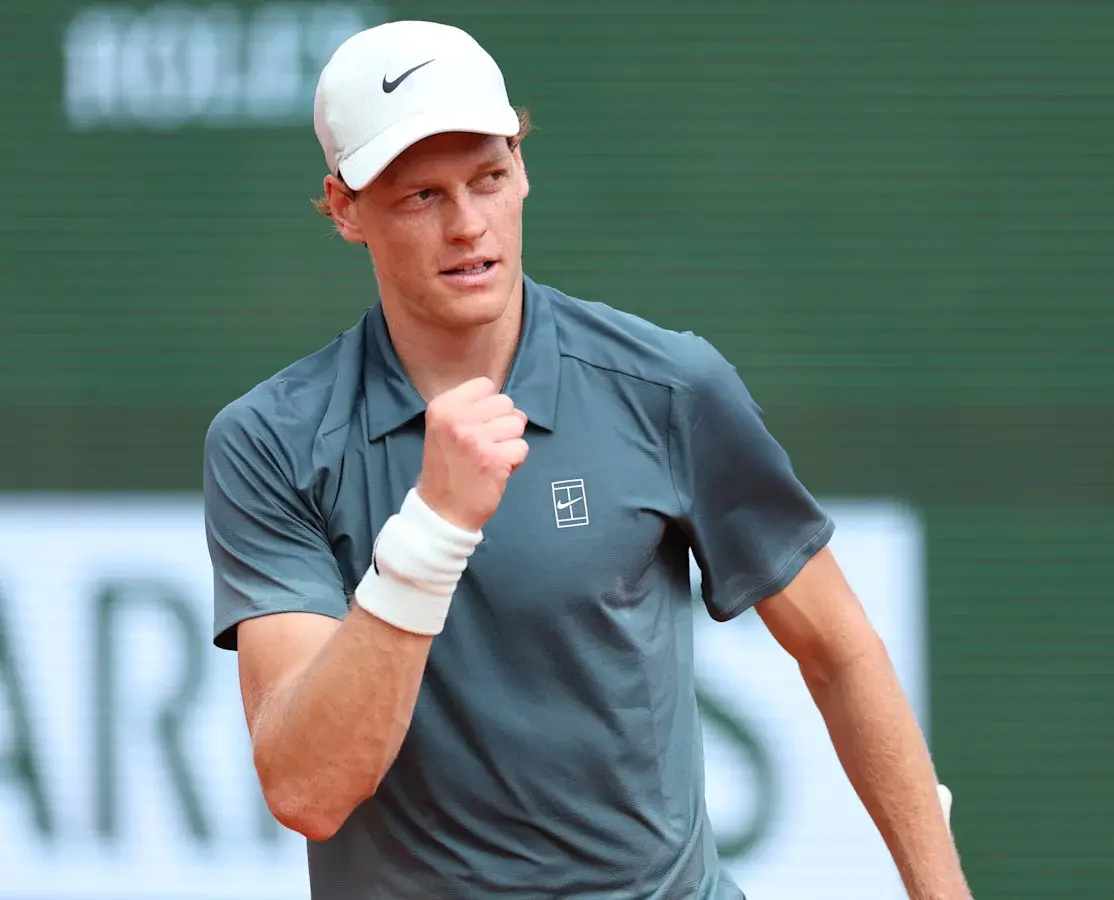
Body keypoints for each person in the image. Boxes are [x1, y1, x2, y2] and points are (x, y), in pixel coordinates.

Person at [202, 18, 971, 900]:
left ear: (521, 168)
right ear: (346, 209)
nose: (468, 225)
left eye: (489, 178)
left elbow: (841, 652)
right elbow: (308, 790)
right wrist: (433, 530)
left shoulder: (669, 386)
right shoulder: (269, 442)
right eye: (422, 197)